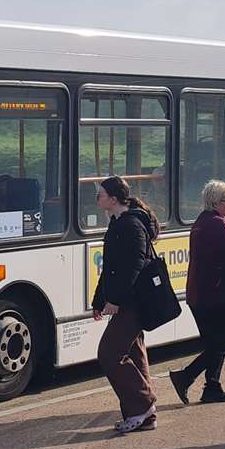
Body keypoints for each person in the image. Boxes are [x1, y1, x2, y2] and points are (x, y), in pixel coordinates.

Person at [90, 175, 161, 434]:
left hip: (134, 303)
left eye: (99, 194)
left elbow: (134, 266)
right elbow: (109, 269)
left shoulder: (131, 225)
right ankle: (144, 415)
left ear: (113, 198)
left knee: (109, 353)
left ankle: (143, 404)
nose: (96, 198)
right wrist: (99, 301)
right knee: (133, 352)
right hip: (127, 301)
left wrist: (116, 301)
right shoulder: (117, 222)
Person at [169, 179, 225, 404]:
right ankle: (185, 377)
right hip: (215, 295)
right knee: (222, 343)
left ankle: (212, 387)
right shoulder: (217, 224)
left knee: (214, 343)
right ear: (215, 202)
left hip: (200, 294)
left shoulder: (202, 221)